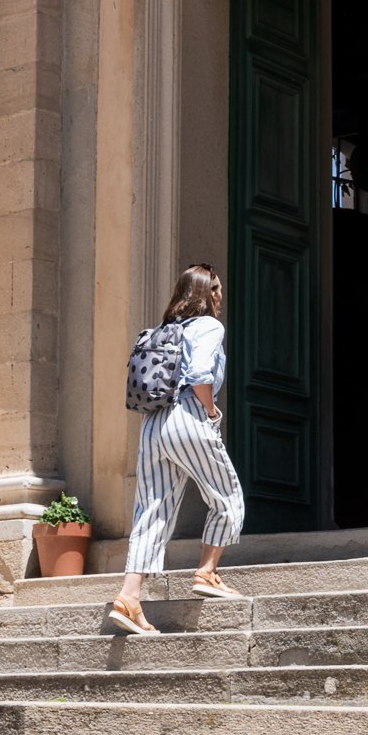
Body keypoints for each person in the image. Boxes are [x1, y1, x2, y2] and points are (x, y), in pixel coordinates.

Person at [109, 262, 246, 635]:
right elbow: (201, 375)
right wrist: (211, 409)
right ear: (204, 293)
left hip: (153, 425)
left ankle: (129, 598)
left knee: (151, 511)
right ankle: (207, 572)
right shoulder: (209, 326)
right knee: (228, 497)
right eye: (215, 289)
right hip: (187, 416)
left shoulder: (166, 330)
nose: (220, 295)